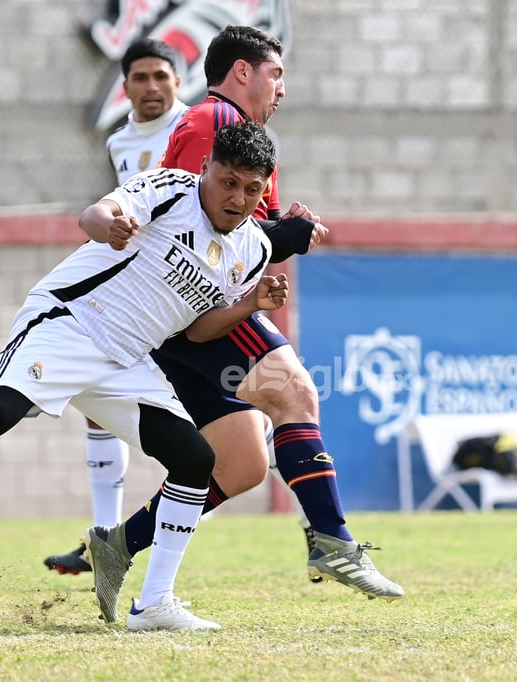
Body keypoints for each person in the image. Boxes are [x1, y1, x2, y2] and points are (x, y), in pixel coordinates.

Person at [0, 122, 289, 631]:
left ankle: (154, 603)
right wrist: (107, 226)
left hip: (127, 360)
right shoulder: (169, 189)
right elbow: (94, 214)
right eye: (228, 182)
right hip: (69, 323)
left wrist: (250, 304)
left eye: (252, 189)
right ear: (206, 169)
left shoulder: (253, 252)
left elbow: (200, 331)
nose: (237, 198)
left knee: (195, 459)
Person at [83, 25, 403, 627]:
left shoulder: (245, 137)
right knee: (296, 391)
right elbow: (194, 222)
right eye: (275, 73)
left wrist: (289, 227)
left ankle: (118, 546)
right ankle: (332, 540)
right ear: (241, 73)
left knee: (241, 466)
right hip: (197, 304)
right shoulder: (211, 123)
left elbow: (253, 225)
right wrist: (287, 239)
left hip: (197, 309)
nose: (282, 87)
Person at [43, 38, 190, 577]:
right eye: (140, 78)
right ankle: (102, 537)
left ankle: (281, 459)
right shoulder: (119, 142)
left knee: (218, 420)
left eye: (161, 77)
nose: (152, 87)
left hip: (187, 292)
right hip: (135, 293)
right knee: (98, 407)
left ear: (179, 81)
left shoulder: (194, 127)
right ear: (123, 86)